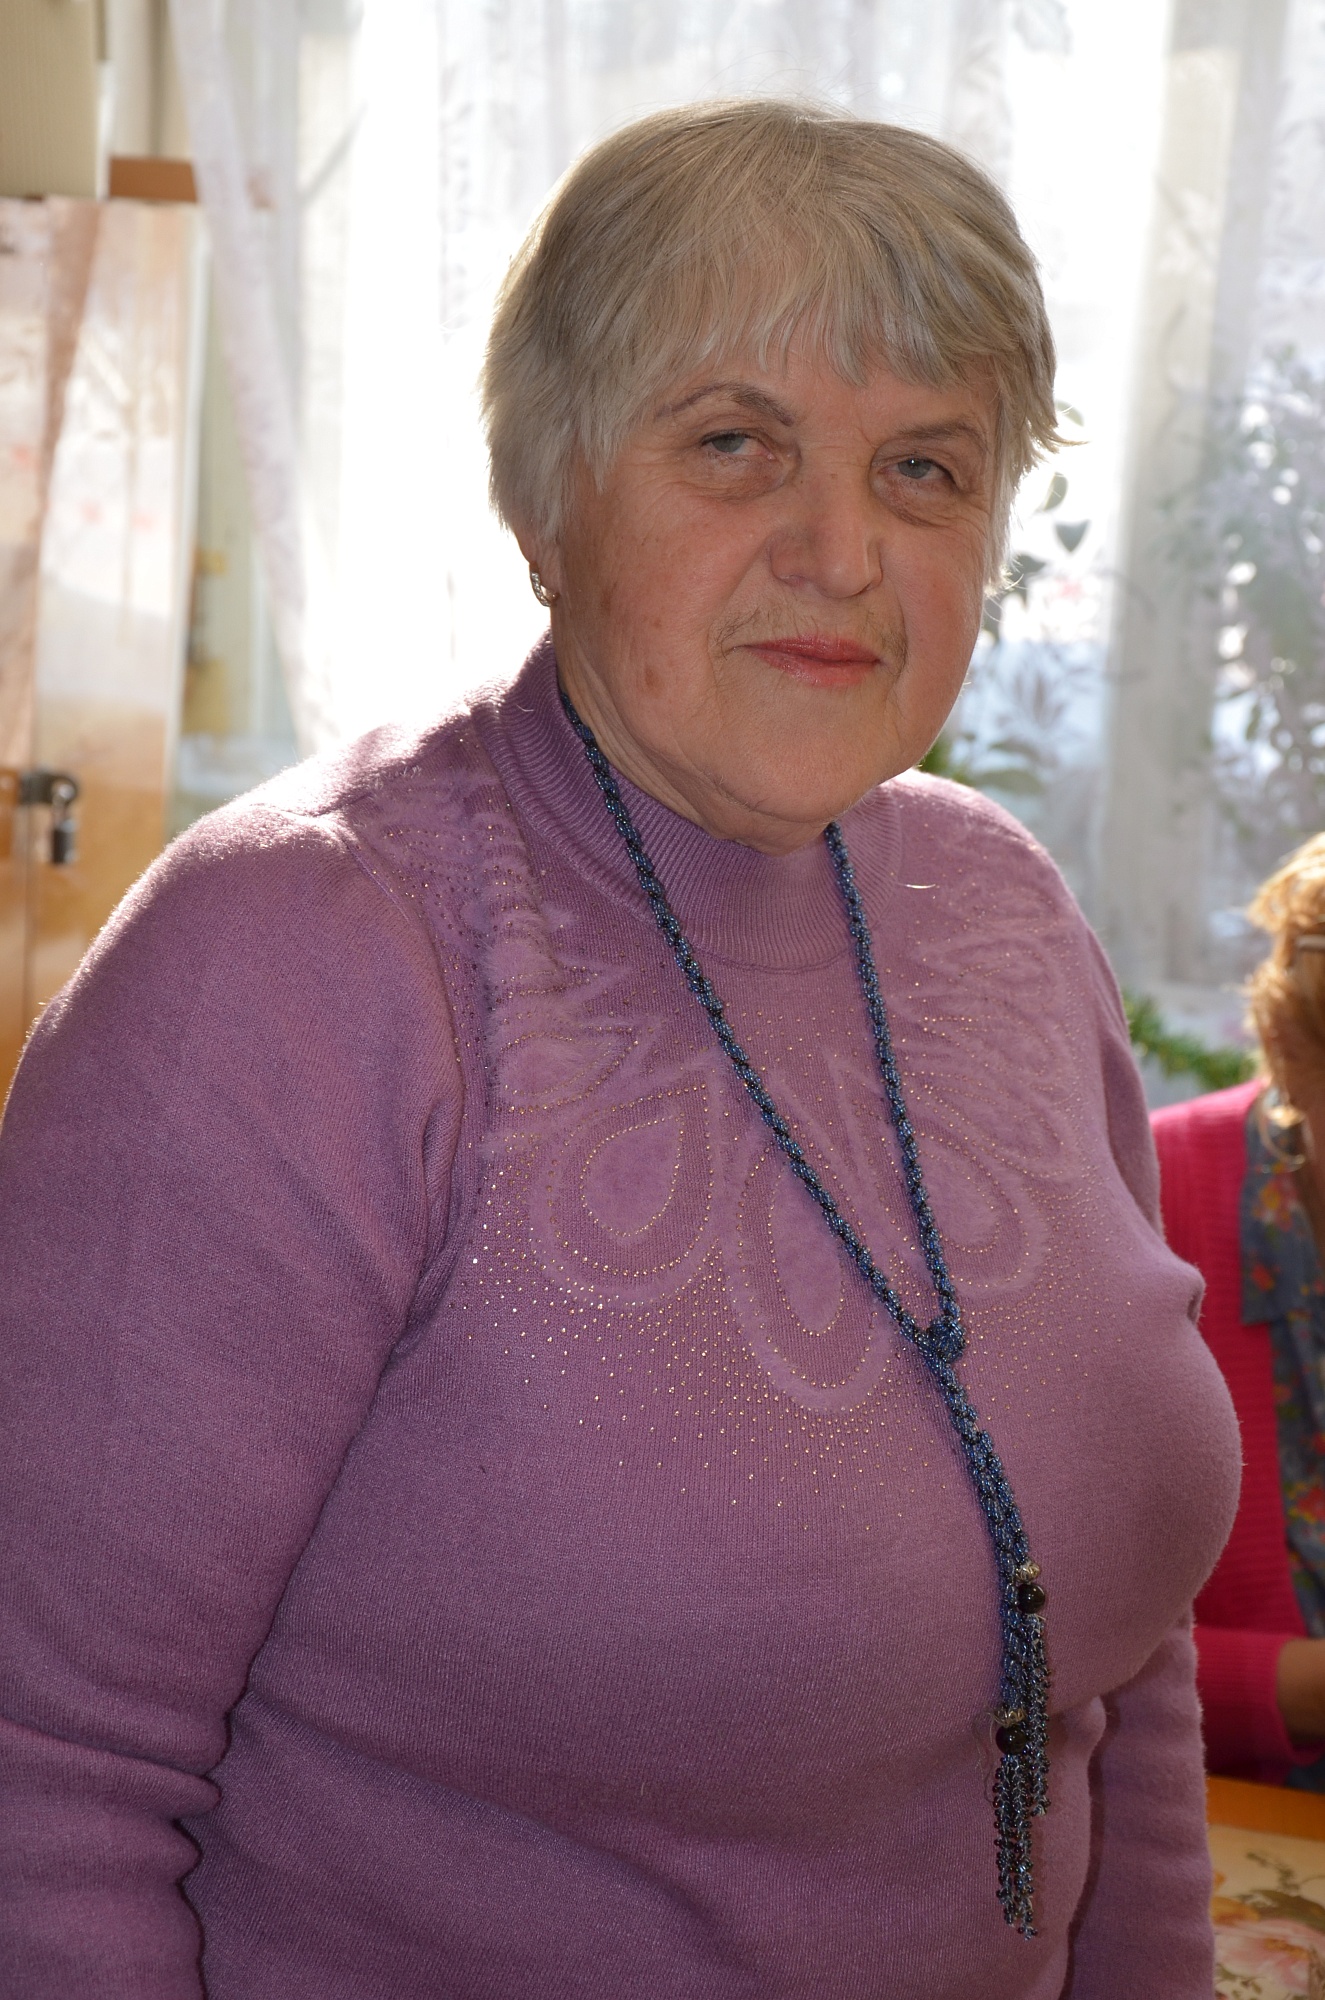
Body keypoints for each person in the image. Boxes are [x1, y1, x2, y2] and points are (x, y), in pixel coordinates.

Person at [0, 101, 1239, 1999]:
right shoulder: (301, 960)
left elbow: (1113, 1664)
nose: (842, 551)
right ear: (546, 494)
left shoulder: (1003, 910)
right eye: (735, 444)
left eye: (924, 469)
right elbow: (43, 1785)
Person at [1153, 833, 1325, 1787]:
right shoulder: (1147, 1200)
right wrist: (1299, 1687)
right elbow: (1041, 1639)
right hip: (1219, 1815)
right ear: (1293, 1055)